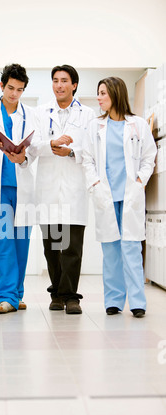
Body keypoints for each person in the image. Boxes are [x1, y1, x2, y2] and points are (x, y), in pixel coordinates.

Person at [82, 77, 156, 317]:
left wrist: (138, 182)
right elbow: (87, 159)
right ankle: (113, 300)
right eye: (98, 92)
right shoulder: (95, 126)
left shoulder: (138, 125)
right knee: (111, 250)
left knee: (131, 248)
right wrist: (94, 184)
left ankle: (137, 302)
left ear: (115, 94)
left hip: (130, 195)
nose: (99, 97)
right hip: (105, 195)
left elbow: (148, 157)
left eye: (103, 93)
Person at [29, 65, 95, 315]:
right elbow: (33, 146)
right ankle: (56, 293)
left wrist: (72, 152)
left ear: (74, 85)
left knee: (72, 247)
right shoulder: (40, 112)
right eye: (55, 80)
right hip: (47, 188)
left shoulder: (88, 114)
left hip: (74, 188)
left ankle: (70, 297)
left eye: (64, 81)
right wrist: (52, 144)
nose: (59, 85)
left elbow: (91, 150)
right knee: (52, 247)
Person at [0, 64, 36, 314]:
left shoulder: (31, 114)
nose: (14, 94)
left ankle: (16, 295)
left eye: (20, 89)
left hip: (22, 187)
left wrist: (22, 158)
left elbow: (35, 151)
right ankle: (4, 296)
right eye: (10, 88)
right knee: (2, 243)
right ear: (2, 86)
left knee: (21, 244)